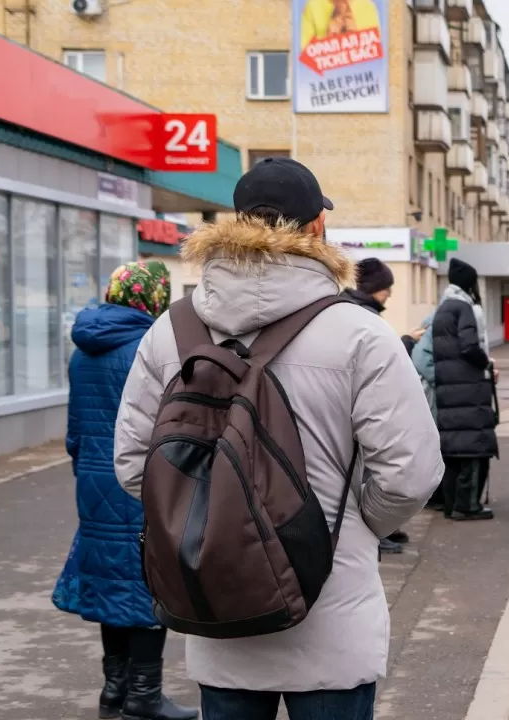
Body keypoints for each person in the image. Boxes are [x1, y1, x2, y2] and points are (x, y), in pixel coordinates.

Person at [113, 156, 443, 720]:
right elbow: (409, 472)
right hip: (331, 612)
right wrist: (358, 527)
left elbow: (133, 463)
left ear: (236, 224)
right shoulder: (361, 332)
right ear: (318, 227)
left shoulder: (172, 329)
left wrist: (208, 521)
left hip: (219, 609)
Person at [52, 261, 196, 720]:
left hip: (94, 482)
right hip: (139, 480)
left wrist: (86, 474)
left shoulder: (83, 351)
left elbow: (75, 431)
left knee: (112, 584)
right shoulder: (146, 348)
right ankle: (144, 695)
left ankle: (113, 690)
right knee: (146, 583)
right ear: (154, 298)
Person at [339, 257, 426, 553]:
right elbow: (373, 360)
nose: (389, 293)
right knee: (371, 470)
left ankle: (383, 530)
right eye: (386, 287)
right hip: (361, 407)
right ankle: (376, 533)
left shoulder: (355, 310)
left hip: (357, 405)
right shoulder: (362, 315)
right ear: (374, 288)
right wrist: (405, 341)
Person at [431, 258, 498, 521]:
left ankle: (451, 504)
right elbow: (470, 346)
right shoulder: (464, 308)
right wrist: (487, 364)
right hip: (469, 390)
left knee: (454, 450)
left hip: (449, 391)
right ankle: (468, 506)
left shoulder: (444, 308)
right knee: (474, 447)